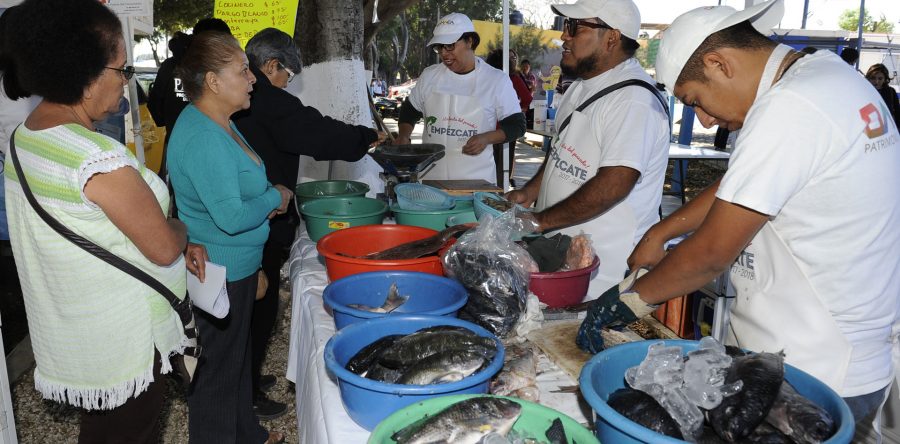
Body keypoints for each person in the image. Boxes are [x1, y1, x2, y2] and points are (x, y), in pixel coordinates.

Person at [579, 0, 900, 427]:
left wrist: (624, 304)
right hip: (830, 357)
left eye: (696, 100)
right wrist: (662, 231)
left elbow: (710, 255)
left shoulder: (792, 107)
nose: (706, 121)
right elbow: (744, 182)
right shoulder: (825, 78)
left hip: (818, 372)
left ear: (718, 63)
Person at [1, 0, 203, 442]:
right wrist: (183, 231)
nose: (126, 82)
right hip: (124, 340)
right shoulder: (96, 159)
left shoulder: (27, 137)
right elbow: (164, 247)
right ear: (85, 72)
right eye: (122, 69)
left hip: (78, 328)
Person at [233, 27, 386, 421]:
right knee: (256, 307)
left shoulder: (245, 95)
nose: (287, 83)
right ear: (270, 65)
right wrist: (366, 136)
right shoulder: (262, 98)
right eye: (286, 74)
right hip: (257, 219)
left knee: (253, 309)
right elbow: (315, 130)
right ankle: (243, 394)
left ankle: (246, 379)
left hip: (253, 212)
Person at [166, 31, 290, 444]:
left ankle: (247, 434)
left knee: (233, 362)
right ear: (214, 82)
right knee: (218, 375)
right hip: (220, 268)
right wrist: (275, 196)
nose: (253, 78)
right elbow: (232, 217)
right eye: (243, 71)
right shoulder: (204, 136)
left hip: (231, 265)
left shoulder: (217, 121)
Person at [506, 0, 669, 299]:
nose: (564, 37)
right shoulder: (580, 87)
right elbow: (561, 151)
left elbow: (615, 183)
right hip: (562, 253)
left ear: (612, 37)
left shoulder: (633, 100)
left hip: (604, 272)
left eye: (575, 27)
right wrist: (529, 192)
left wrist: (540, 221)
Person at [395, 12, 525, 184]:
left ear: (470, 41)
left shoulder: (496, 80)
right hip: (430, 182)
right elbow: (409, 111)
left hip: (476, 183)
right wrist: (404, 135)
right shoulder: (430, 76)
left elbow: (517, 125)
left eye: (450, 46)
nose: (444, 53)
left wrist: (486, 138)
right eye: (440, 47)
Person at [149, 18, 231, 178]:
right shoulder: (223, 69)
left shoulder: (170, 66)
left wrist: (172, 121)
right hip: (215, 152)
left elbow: (155, 107)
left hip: (176, 147)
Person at [485, 48, 533, 114]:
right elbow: (528, 98)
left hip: (486, 119)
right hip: (507, 119)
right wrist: (515, 109)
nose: (511, 60)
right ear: (506, 62)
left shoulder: (485, 79)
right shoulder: (513, 78)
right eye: (509, 58)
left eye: (513, 58)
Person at [866, 63, 900, 129]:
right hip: (869, 130)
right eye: (873, 78)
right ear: (868, 78)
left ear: (885, 79)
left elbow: (897, 112)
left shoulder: (891, 92)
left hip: (888, 130)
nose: (876, 81)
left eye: (880, 78)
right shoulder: (864, 91)